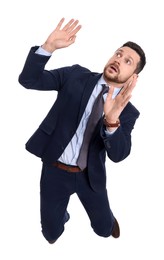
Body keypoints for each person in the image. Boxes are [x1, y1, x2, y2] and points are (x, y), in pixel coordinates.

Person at [18, 17, 146, 244]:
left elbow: (119, 155)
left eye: (127, 61)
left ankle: (108, 220)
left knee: (103, 230)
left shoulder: (128, 112)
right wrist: (47, 48)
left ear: (133, 77)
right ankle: (62, 215)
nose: (119, 59)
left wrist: (112, 121)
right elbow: (29, 80)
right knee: (51, 235)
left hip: (90, 176)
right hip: (54, 171)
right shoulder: (75, 76)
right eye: (118, 53)